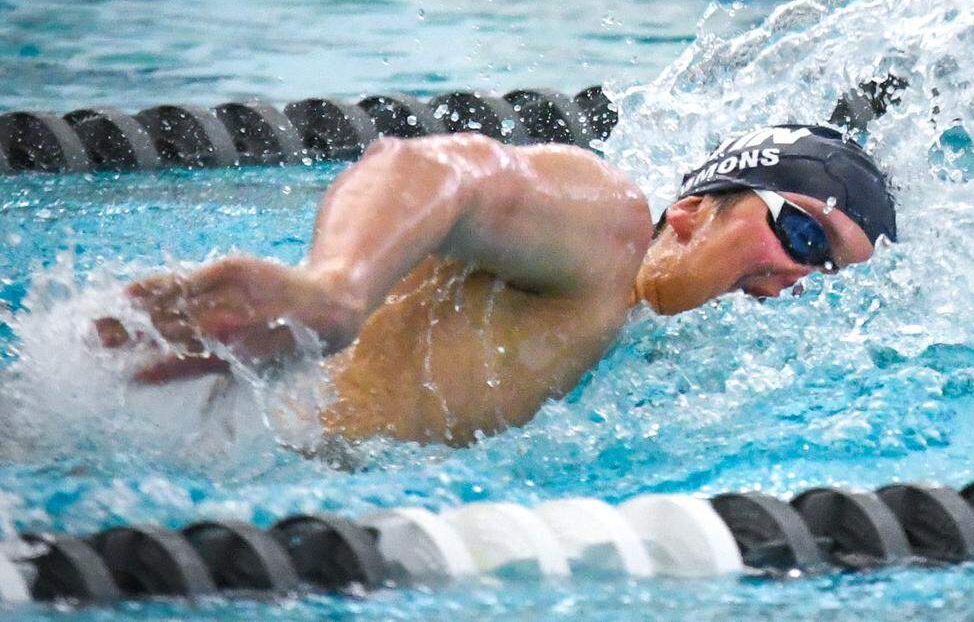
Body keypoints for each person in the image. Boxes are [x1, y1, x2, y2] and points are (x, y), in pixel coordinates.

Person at [95, 124, 896, 446]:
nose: (800, 273)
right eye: (802, 233)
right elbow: (438, 167)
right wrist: (335, 291)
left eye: (828, 270)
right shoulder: (609, 231)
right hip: (200, 428)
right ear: (690, 213)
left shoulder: (657, 342)